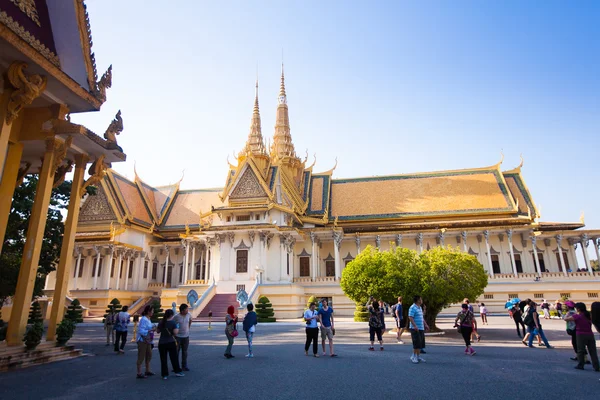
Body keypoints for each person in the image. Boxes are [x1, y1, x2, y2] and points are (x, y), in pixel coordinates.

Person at [564, 302, 599, 371]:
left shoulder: (577, 316)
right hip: (590, 334)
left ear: (579, 309)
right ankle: (597, 366)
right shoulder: (589, 315)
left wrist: (567, 314)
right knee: (593, 351)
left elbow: (566, 319)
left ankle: (581, 365)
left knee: (580, 350)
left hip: (580, 334)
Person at [157, 309, 184, 380]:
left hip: (162, 342)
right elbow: (175, 333)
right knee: (174, 358)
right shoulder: (173, 323)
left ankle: (164, 374)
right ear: (172, 315)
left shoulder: (161, 322)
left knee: (163, 359)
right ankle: (177, 371)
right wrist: (177, 328)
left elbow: (158, 331)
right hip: (170, 342)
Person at [136, 305, 155, 379]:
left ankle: (147, 370)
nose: (153, 312)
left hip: (148, 340)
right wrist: (150, 330)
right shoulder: (143, 319)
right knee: (141, 356)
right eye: (152, 311)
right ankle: (139, 373)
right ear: (148, 311)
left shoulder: (148, 319)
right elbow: (141, 330)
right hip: (142, 340)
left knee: (149, 355)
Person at [408, 295, 428, 363]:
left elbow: (421, 317)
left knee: (421, 344)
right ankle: (414, 356)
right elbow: (410, 317)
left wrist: (425, 324)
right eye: (420, 299)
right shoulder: (412, 307)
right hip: (415, 328)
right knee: (416, 343)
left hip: (421, 328)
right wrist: (415, 326)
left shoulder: (419, 308)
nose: (421, 300)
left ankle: (418, 356)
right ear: (418, 300)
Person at [174, 303, 192, 371]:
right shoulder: (176, 316)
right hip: (178, 336)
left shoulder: (189, 315)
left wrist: (188, 328)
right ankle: (176, 366)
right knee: (176, 352)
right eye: (186, 309)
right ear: (182, 311)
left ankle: (184, 365)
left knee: (184, 352)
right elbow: (173, 323)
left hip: (186, 336)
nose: (187, 310)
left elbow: (190, 320)